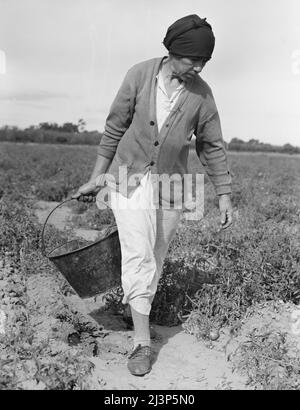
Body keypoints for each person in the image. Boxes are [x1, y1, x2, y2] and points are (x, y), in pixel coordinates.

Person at [72, 14, 233, 377]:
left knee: (155, 257)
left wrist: (224, 194)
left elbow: (212, 145)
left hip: (173, 186)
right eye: (193, 59)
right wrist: (97, 178)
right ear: (173, 52)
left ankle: (134, 306)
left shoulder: (201, 95)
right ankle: (143, 343)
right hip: (127, 179)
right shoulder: (139, 75)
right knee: (141, 254)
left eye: (205, 61)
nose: (199, 66)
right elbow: (114, 127)